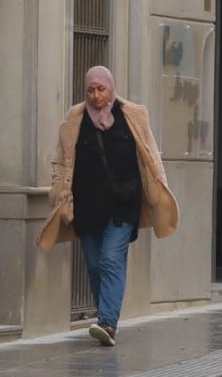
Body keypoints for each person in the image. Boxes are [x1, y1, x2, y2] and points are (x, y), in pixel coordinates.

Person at [37, 65, 178, 345]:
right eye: (91, 89)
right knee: (94, 265)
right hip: (88, 205)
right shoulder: (74, 120)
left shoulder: (132, 115)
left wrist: (158, 184)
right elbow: (61, 160)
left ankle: (107, 323)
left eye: (101, 89)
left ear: (111, 88)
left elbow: (150, 154)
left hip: (123, 204)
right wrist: (58, 191)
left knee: (110, 259)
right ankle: (106, 314)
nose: (96, 95)